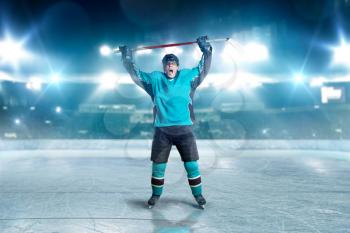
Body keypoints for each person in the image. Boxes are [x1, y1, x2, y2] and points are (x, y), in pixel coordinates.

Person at [119, 36, 212, 209]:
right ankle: (155, 195)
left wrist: (206, 50)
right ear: (164, 67)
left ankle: (198, 195)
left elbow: (203, 68)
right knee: (158, 167)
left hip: (184, 130)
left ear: (178, 66)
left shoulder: (188, 77)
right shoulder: (155, 81)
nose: (170, 65)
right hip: (163, 131)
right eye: (167, 63)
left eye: (173, 63)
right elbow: (136, 75)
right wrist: (127, 58)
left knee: (192, 165)